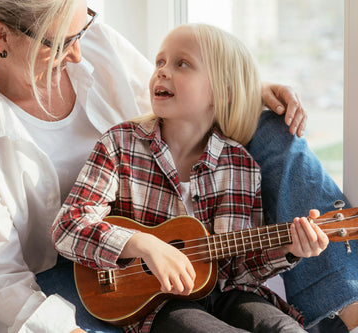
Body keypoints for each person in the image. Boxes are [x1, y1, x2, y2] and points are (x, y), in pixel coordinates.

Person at [0, 0, 353, 332]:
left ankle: (347, 301)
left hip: (190, 250)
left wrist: (245, 93)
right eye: (62, 43)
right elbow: (0, 277)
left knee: (271, 124)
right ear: (2, 36)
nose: (79, 53)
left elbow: (184, 88)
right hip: (82, 271)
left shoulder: (235, 163)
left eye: (83, 31)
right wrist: (139, 248)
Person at [50, 23, 329, 333]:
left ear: (222, 91)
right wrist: (141, 244)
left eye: (181, 63)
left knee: (286, 329)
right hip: (160, 304)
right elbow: (68, 226)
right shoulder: (120, 145)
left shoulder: (240, 165)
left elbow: (238, 271)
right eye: (160, 62)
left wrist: (289, 248)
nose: (162, 72)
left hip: (227, 294)